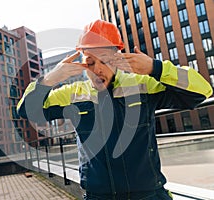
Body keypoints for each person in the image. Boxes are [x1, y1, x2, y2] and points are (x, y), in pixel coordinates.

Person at [17, 19, 213, 199]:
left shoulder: (142, 85)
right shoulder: (72, 94)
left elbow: (201, 91)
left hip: (148, 194)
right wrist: (50, 79)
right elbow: (26, 110)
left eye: (105, 60)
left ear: (117, 58)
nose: (98, 69)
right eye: (90, 62)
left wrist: (156, 68)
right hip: (98, 195)